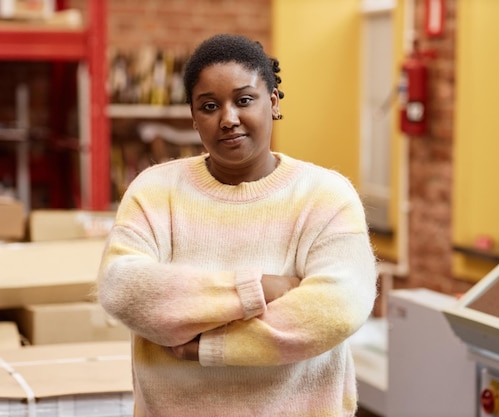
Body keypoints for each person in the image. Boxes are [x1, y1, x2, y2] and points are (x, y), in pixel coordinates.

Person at [97, 33, 378, 417]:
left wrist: (212, 346)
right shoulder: (155, 191)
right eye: (209, 106)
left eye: (244, 100)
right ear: (194, 118)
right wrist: (257, 288)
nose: (228, 119)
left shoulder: (325, 195)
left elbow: (337, 308)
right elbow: (124, 288)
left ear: (274, 102)